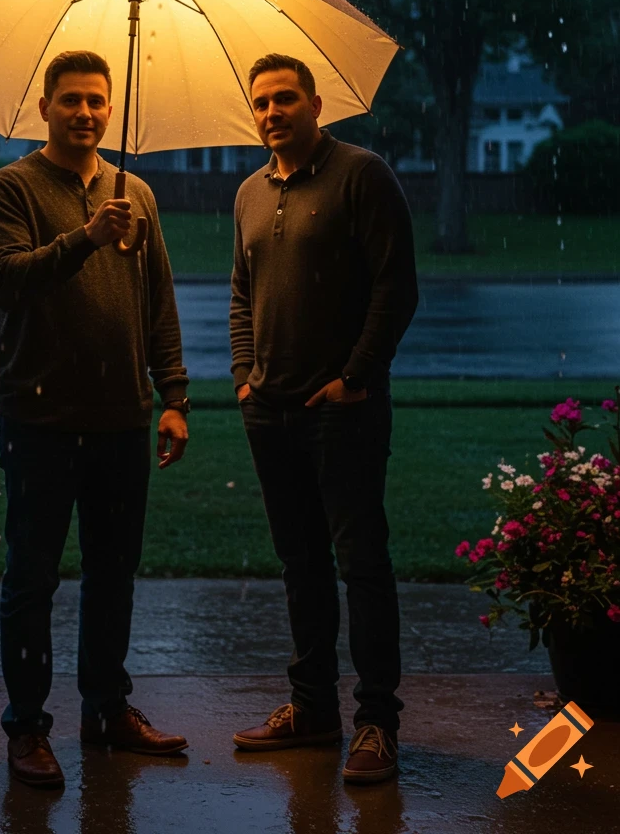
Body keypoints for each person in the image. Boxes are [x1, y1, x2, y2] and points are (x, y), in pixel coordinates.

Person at [0, 49, 191, 789]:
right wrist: (85, 239)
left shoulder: (139, 196)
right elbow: (9, 281)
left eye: (98, 101)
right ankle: (28, 728)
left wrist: (174, 399)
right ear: (45, 107)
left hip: (121, 419)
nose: (87, 113)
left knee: (112, 575)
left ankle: (105, 710)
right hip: (39, 418)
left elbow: (157, 300)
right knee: (31, 579)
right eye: (71, 100)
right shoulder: (10, 189)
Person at [229, 53, 419, 784]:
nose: (272, 112)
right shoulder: (248, 191)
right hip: (268, 414)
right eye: (262, 103)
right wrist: (246, 380)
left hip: (342, 414)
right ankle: (311, 708)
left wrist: (355, 378)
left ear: (316, 104)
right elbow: (242, 293)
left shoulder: (361, 175)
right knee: (299, 565)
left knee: (360, 565)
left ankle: (377, 722)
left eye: (285, 99)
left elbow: (395, 288)